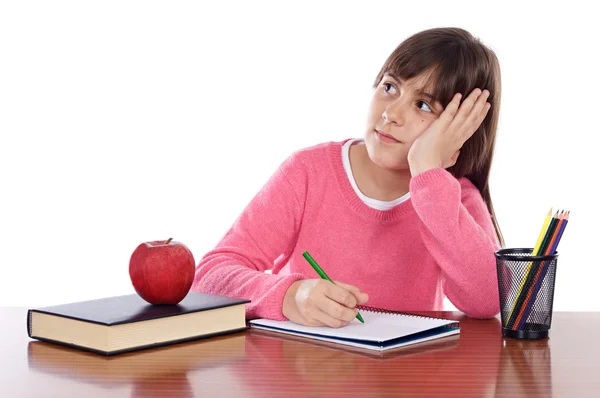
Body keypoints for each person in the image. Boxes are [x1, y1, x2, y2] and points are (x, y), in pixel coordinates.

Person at [192, 27, 504, 328]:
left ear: (460, 133)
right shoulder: (308, 172)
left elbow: (489, 298)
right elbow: (210, 276)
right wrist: (289, 295)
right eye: (390, 87)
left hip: (403, 377)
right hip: (305, 372)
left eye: (423, 105)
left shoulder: (453, 198)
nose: (391, 113)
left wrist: (428, 172)